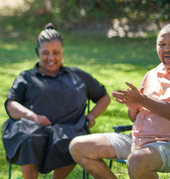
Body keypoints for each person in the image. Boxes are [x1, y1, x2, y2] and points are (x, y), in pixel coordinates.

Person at [1, 23, 111, 179]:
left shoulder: (77, 75)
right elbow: (11, 104)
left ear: (62, 52)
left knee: (72, 142)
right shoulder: (26, 77)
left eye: (56, 52)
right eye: (45, 53)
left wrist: (92, 116)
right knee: (28, 138)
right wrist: (33, 117)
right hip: (33, 127)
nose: (51, 58)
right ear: (37, 52)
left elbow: (104, 97)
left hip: (69, 129)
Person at [69, 24, 170, 179]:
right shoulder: (151, 75)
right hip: (136, 140)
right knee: (78, 147)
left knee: (137, 160)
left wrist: (142, 99)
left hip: (165, 144)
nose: (167, 49)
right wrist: (133, 106)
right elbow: (134, 118)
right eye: (162, 44)